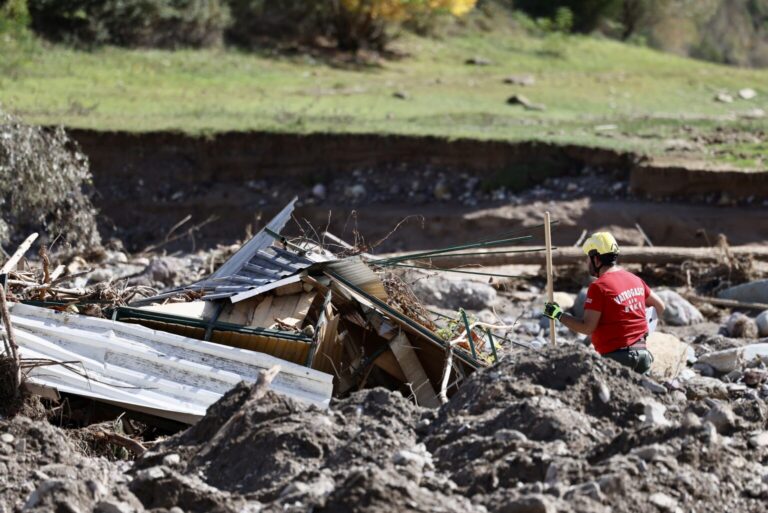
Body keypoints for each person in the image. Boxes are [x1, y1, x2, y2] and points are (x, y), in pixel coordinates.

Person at [542, 232, 666, 374]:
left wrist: (558, 314)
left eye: (588, 258)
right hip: (643, 356)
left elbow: (587, 328)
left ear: (596, 259)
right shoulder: (634, 279)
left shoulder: (599, 286)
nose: (587, 262)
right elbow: (660, 307)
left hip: (617, 358)